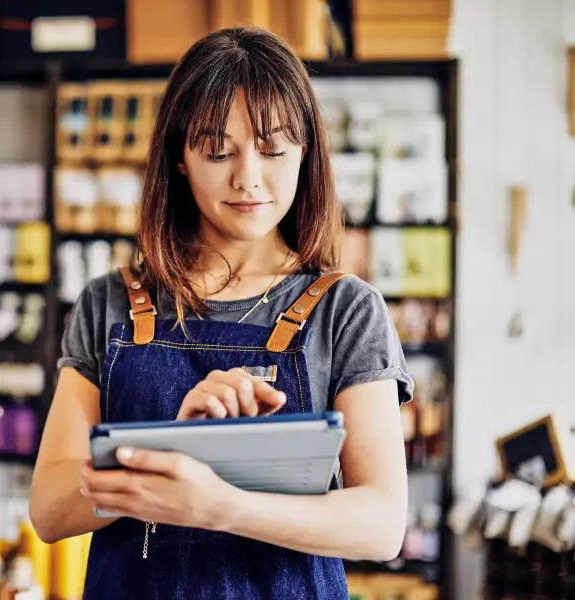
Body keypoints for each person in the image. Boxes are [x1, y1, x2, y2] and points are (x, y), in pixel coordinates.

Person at [29, 27, 413, 600]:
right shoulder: (109, 302)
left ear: (306, 151)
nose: (248, 178)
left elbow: (381, 524)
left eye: (274, 148)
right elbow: (50, 511)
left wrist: (220, 505)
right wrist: (168, 453)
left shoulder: (347, 310)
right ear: (180, 159)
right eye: (217, 151)